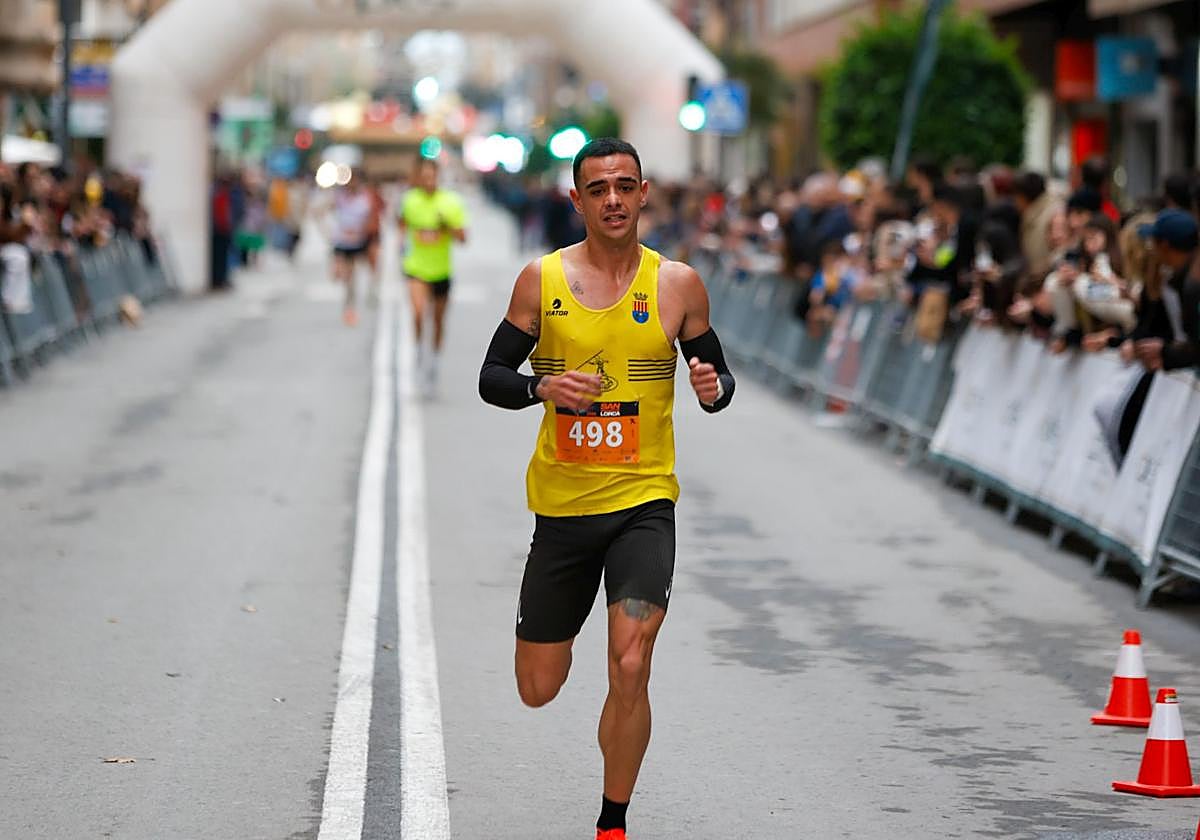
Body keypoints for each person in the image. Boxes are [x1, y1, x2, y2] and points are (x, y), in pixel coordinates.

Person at [477, 137, 736, 840]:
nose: (614, 199)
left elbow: (717, 376)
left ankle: (612, 823)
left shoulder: (678, 285)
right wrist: (541, 386)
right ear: (578, 200)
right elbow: (490, 378)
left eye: (626, 186)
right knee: (538, 688)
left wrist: (713, 389)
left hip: (644, 504)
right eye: (599, 189)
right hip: (562, 510)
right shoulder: (543, 280)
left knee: (631, 659)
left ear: (645, 193)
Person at [398, 158, 467, 389]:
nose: (428, 181)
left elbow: (463, 238)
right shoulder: (410, 200)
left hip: (441, 270)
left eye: (432, 176)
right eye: (424, 177)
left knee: (437, 320)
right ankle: (418, 348)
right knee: (418, 313)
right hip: (416, 267)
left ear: (438, 176)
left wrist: (446, 225)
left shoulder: (450, 202)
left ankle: (434, 361)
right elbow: (401, 225)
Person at [325, 171, 374, 326]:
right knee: (340, 276)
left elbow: (369, 219)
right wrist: (327, 232)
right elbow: (319, 211)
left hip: (356, 244)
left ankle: (350, 308)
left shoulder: (364, 198)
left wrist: (361, 232)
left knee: (351, 279)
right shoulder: (339, 198)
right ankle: (337, 270)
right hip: (340, 243)